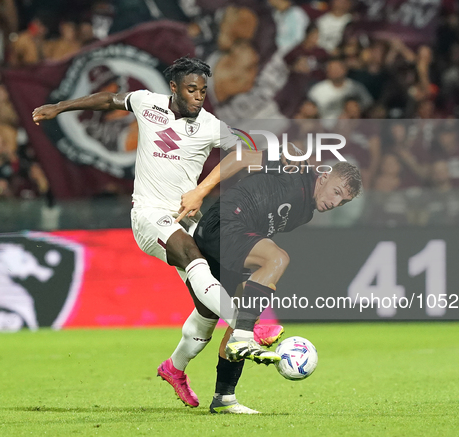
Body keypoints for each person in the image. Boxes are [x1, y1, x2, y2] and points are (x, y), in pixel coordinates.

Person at [31, 56, 283, 404]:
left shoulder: (211, 126)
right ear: (174, 88)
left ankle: (174, 368)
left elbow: (248, 150)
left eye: (203, 91)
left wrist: (273, 163)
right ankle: (247, 327)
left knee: (207, 308)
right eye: (192, 90)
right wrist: (59, 107)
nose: (199, 97)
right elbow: (108, 99)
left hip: (185, 219)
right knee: (194, 256)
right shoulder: (147, 103)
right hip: (149, 215)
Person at [164, 161, 361, 414]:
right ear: (323, 177)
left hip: (235, 238)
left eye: (343, 202)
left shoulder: (306, 212)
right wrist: (285, 155)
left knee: (236, 318)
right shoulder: (294, 174)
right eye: (336, 192)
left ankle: (223, 397)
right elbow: (249, 157)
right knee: (277, 259)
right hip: (223, 226)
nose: (335, 203)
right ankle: (244, 338)